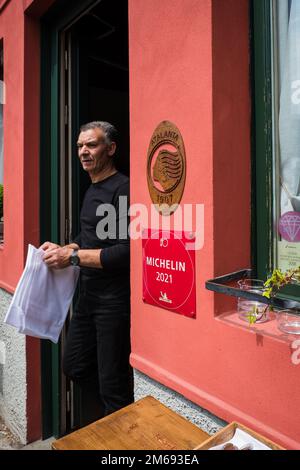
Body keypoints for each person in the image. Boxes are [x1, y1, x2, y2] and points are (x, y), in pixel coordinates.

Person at [41, 121, 133, 424]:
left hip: (114, 302)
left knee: (113, 385)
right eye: (80, 145)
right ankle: (111, 418)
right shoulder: (93, 188)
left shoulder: (123, 188)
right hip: (88, 297)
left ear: (111, 149)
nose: (83, 151)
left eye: (91, 145)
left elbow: (125, 251)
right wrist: (63, 249)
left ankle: (119, 437)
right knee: (74, 364)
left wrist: (75, 257)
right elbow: (89, 237)